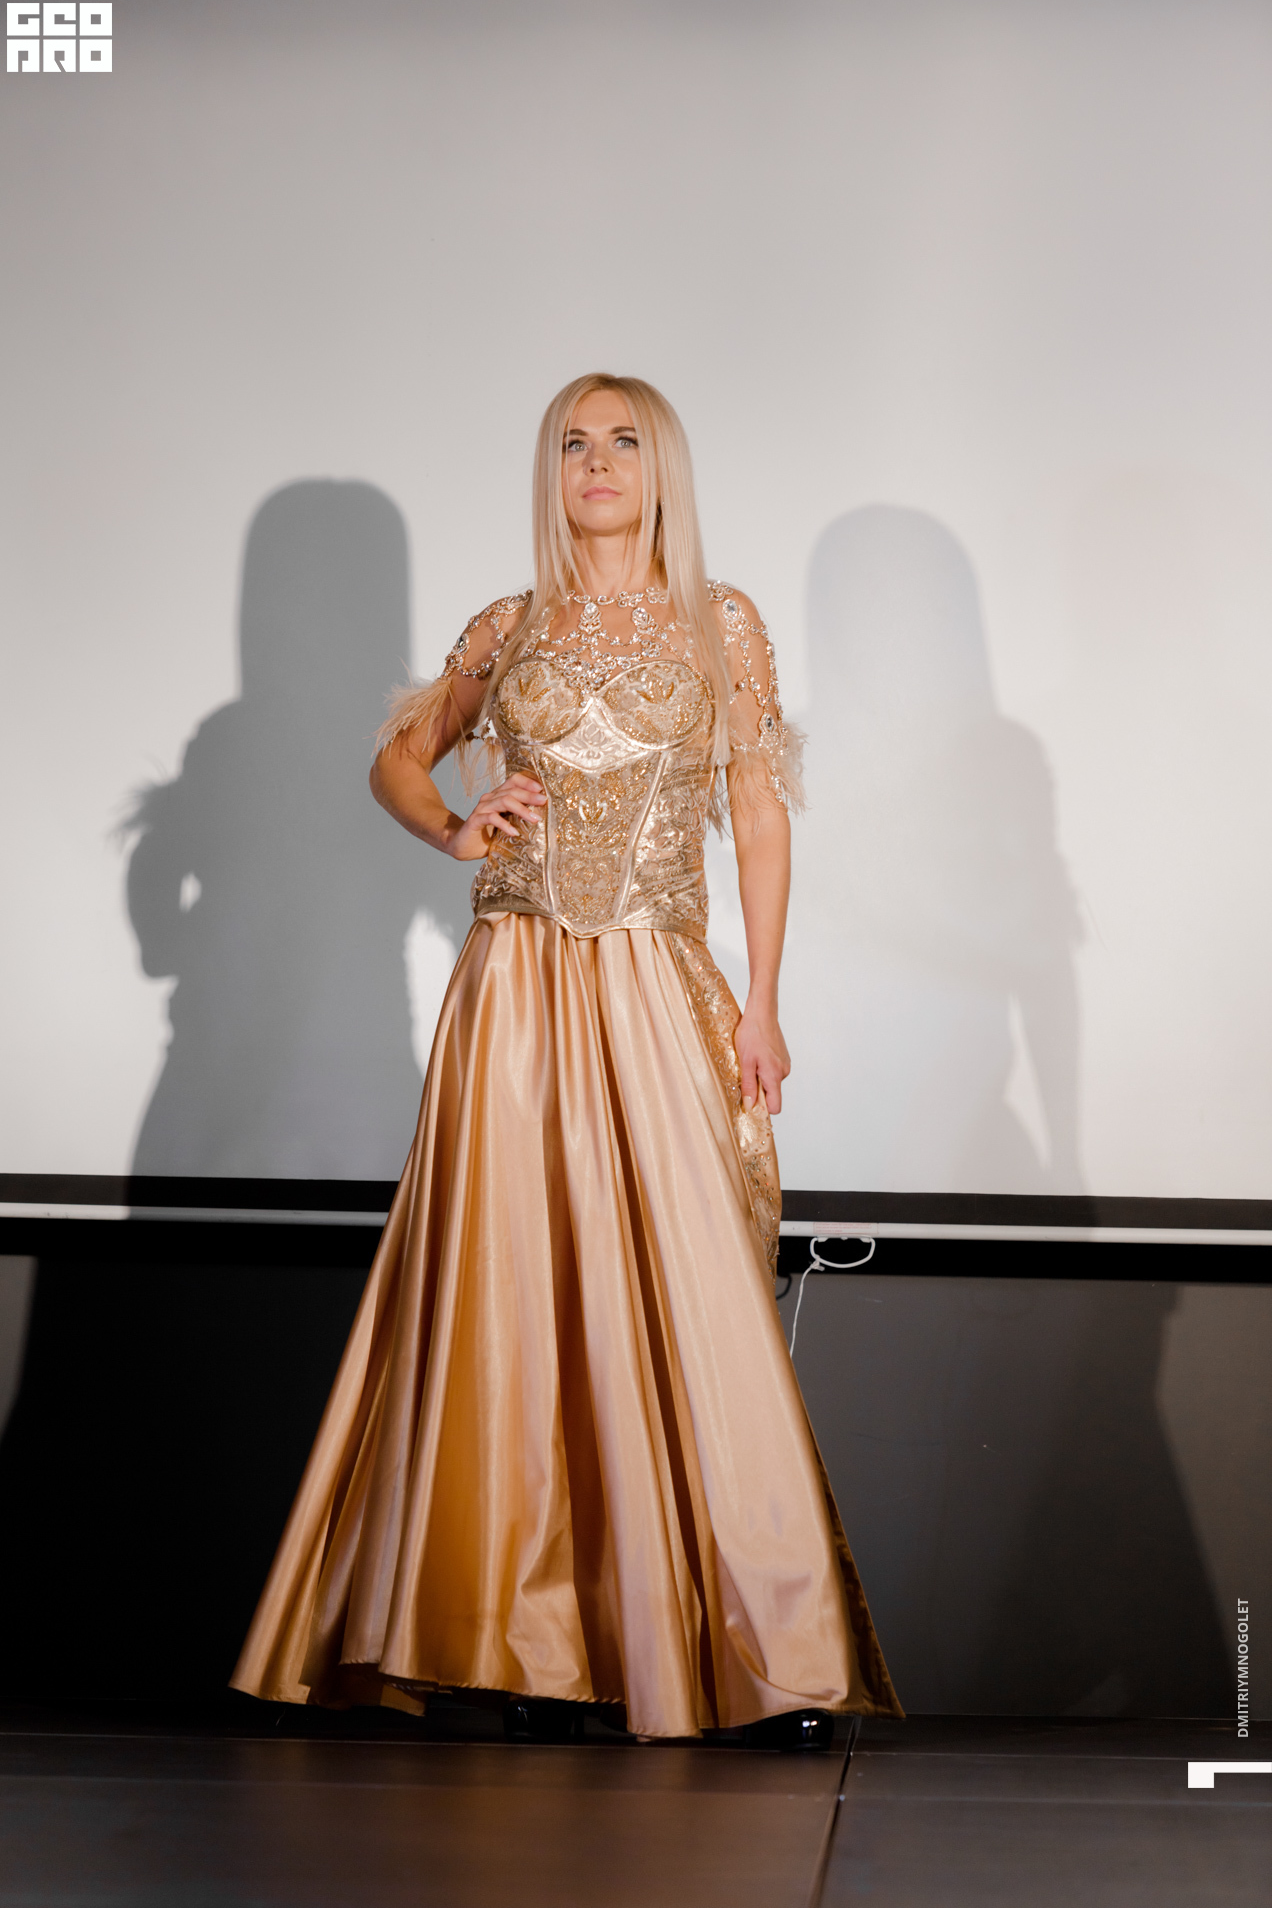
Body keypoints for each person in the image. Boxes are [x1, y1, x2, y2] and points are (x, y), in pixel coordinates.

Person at [231, 373, 902, 1745]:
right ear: (553, 470)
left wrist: (765, 1002)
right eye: (575, 443)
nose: (598, 463)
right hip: (516, 991)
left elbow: (759, 813)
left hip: (655, 979)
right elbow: (398, 761)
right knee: (508, 1290)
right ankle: (512, 1648)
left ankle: (752, 1654)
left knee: (688, 1291)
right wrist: (454, 828)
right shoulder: (509, 624)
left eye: (625, 442)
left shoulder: (719, 621)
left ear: (664, 469)